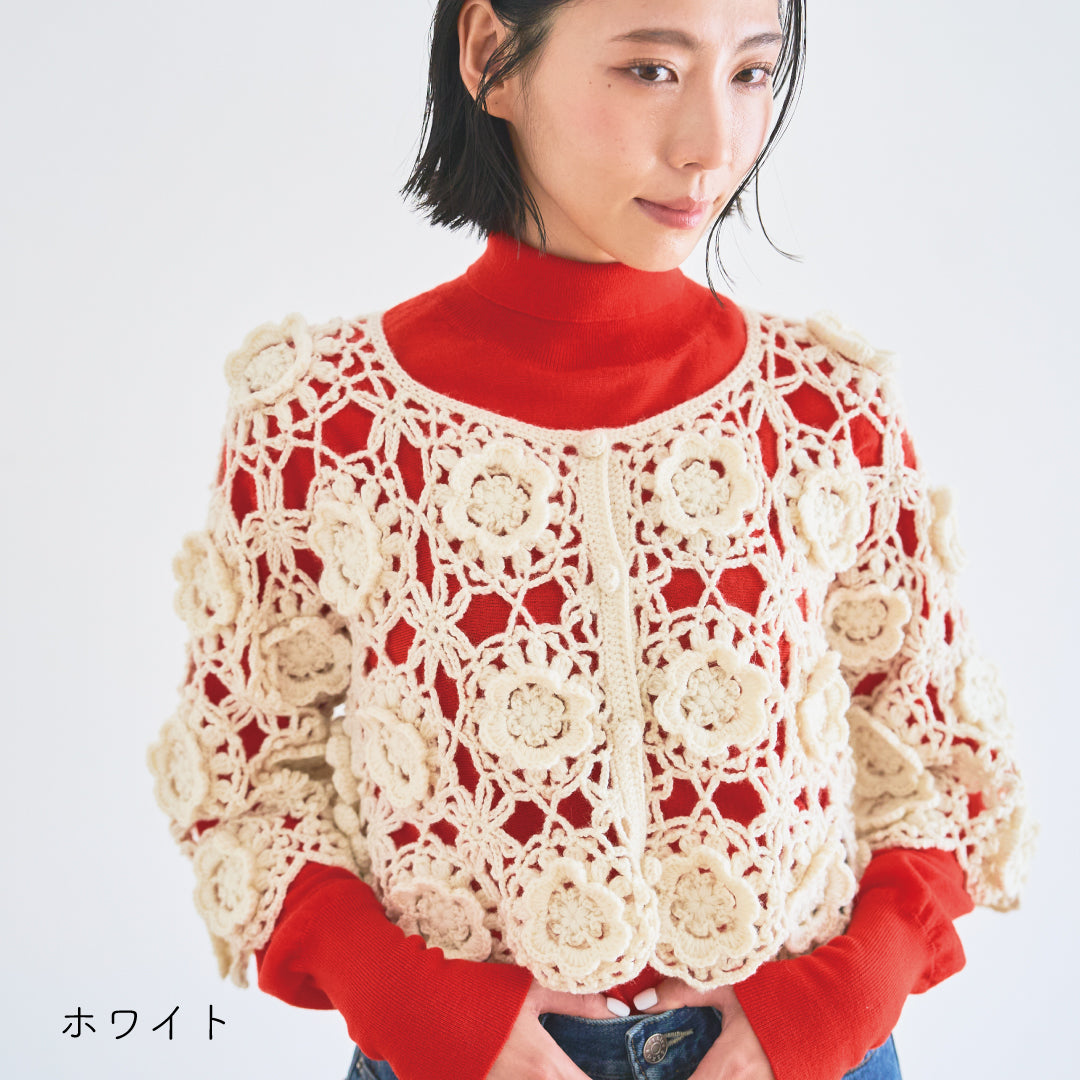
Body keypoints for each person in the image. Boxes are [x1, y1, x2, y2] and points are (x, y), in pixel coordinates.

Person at [147, 2, 1033, 1078]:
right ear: (491, 54)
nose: (713, 145)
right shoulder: (327, 416)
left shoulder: (824, 409)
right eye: (652, 69)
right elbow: (247, 777)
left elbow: (942, 765)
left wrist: (828, 1009)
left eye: (752, 74)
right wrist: (428, 1017)